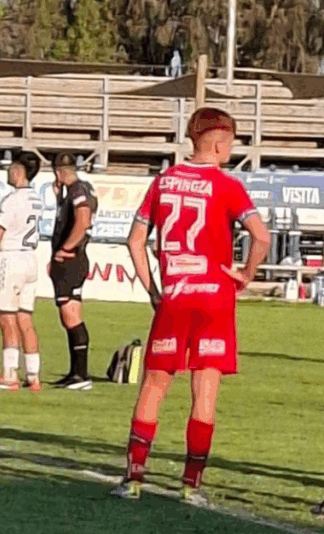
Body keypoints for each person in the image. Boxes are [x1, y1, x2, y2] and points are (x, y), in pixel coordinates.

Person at [111, 108, 270, 505]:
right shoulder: (227, 186)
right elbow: (261, 237)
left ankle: (132, 479)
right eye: (230, 142)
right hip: (214, 299)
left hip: (176, 297)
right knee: (205, 389)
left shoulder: (164, 182)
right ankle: (190, 486)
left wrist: (153, 290)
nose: (230, 149)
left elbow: (135, 241)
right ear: (218, 143)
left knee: (154, 385)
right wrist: (247, 273)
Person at [0, 154, 43, 392]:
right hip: (30, 258)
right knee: (25, 318)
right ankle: (33, 374)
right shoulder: (37, 198)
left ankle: (9, 374)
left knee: (6, 317)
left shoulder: (12, 200)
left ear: (19, 171)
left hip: (10, 256)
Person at [50, 152, 99, 390]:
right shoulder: (79, 189)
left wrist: (66, 247)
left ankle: (81, 375)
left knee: (71, 316)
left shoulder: (78, 190)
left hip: (72, 259)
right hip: (73, 259)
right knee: (69, 315)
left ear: (58, 172)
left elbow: (83, 219)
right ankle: (75, 373)